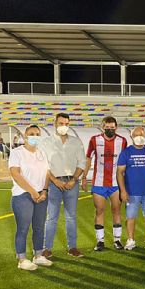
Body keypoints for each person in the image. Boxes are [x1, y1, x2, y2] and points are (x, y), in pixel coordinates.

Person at [40, 113, 86, 258]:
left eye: (66, 124)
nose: (63, 126)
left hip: (72, 183)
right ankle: (46, 248)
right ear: (55, 123)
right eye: (60, 123)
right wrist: (54, 180)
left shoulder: (76, 142)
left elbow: (81, 163)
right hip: (54, 184)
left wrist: (74, 179)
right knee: (52, 216)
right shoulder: (46, 142)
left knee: (71, 216)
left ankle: (72, 247)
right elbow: (44, 165)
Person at [9, 125, 52, 270]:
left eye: (37, 134)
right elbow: (16, 174)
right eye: (31, 133)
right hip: (22, 195)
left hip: (41, 195)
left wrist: (44, 190)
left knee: (39, 227)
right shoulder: (17, 153)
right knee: (23, 228)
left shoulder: (42, 153)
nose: (35, 136)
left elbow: (47, 173)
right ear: (25, 136)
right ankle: (22, 260)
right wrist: (33, 192)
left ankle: (38, 255)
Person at [83, 117, 128, 251]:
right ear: (103, 127)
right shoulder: (94, 140)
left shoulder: (122, 141)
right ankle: (100, 241)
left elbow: (125, 162)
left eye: (112, 127)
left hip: (116, 183)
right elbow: (88, 158)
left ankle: (117, 240)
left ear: (116, 127)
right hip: (98, 182)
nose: (110, 130)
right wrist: (84, 177)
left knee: (116, 210)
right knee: (99, 211)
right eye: (107, 127)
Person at [116, 127, 145, 251]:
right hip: (131, 192)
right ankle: (131, 240)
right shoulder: (126, 152)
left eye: (142, 134)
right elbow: (119, 172)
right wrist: (123, 190)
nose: (139, 137)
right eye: (136, 134)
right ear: (131, 136)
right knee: (130, 217)